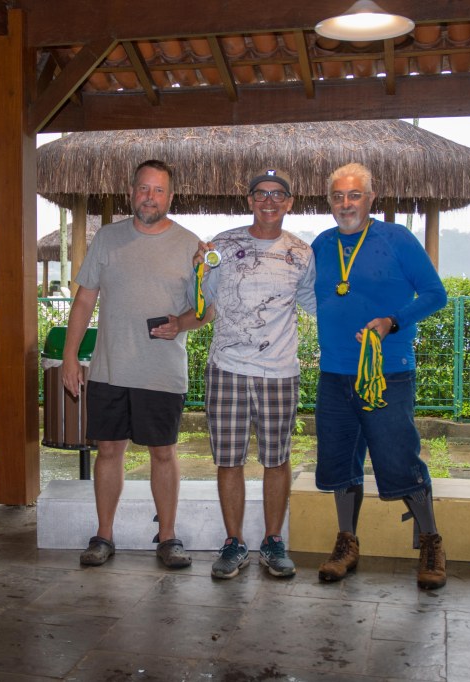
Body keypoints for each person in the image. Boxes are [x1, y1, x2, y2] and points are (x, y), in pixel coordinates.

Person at [311, 162, 449, 589]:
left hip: (388, 374)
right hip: (334, 375)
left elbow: (435, 294)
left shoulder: (397, 239)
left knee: (398, 458)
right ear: (329, 201)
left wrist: (393, 320)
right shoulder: (321, 244)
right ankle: (347, 544)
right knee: (340, 461)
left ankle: (431, 542)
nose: (346, 203)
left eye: (355, 195)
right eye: (338, 196)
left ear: (371, 198)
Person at [61, 159, 201, 570]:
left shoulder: (191, 245)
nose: (149, 197)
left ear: (170, 197)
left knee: (163, 453)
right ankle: (104, 535)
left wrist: (180, 324)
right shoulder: (107, 238)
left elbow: (206, 311)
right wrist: (70, 357)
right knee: (108, 451)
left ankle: (168, 536)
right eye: (143, 188)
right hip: (110, 368)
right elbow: (84, 300)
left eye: (158, 190)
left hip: (161, 372)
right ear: (131, 192)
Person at [192, 169, 316, 580]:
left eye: (278, 194)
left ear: (289, 202)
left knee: (276, 459)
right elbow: (200, 303)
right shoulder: (223, 245)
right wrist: (196, 271)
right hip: (226, 369)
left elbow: (317, 305)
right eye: (261, 194)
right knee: (229, 460)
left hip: (280, 372)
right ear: (249, 200)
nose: (269, 201)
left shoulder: (302, 253)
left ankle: (273, 541)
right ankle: (234, 542)